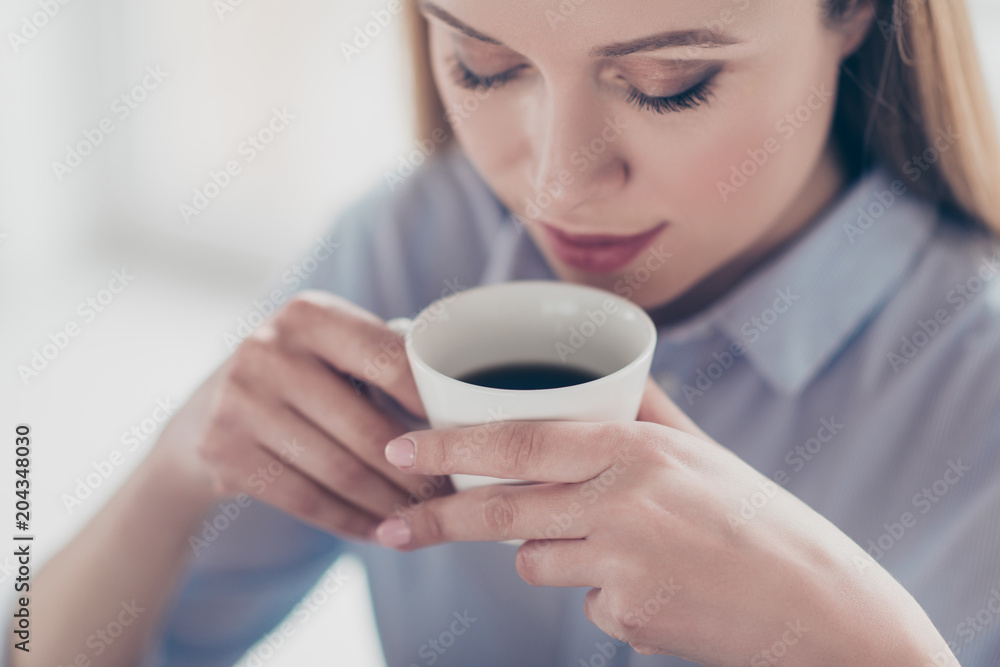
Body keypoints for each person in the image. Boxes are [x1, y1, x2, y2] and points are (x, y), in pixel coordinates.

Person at [13, 0, 1000, 665]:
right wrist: (175, 470)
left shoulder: (974, 385)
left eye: (668, 82)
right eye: (483, 66)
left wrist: (859, 644)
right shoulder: (419, 244)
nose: (554, 187)